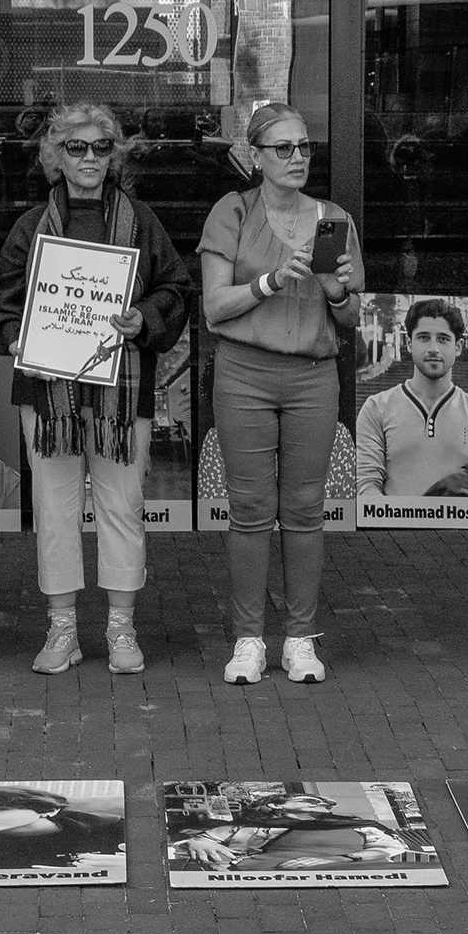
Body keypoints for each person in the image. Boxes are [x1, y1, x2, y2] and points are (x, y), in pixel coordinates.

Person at [0, 101, 188, 674]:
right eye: (77, 147)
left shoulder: (141, 221)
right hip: (48, 395)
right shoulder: (32, 226)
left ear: (114, 155)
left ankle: (121, 627)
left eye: (101, 146)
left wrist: (143, 317)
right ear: (56, 156)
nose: (90, 157)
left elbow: (176, 288)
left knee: (122, 507)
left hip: (121, 391)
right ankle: (63, 629)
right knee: (55, 510)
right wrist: (16, 340)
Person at [197, 101, 365, 682]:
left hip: (313, 375)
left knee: (305, 509)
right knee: (249, 508)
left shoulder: (334, 218)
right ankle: (249, 639)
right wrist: (270, 281)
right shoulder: (233, 211)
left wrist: (335, 291)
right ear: (256, 156)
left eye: (304, 147)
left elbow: (351, 317)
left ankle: (300, 638)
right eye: (283, 148)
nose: (297, 158)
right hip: (243, 372)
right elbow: (214, 306)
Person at [352, 301, 468, 498]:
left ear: (458, 347)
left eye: (443, 339)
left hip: (464, 519)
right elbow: (365, 483)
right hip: (393, 518)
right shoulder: (376, 408)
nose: (433, 348)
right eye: (424, 338)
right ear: (409, 343)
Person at [166, 783, 416, 873]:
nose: (322, 803)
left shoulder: (359, 826)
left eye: (325, 803)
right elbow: (196, 841)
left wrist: (337, 859)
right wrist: (198, 842)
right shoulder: (246, 827)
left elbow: (390, 847)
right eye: (310, 800)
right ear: (275, 804)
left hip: (347, 871)